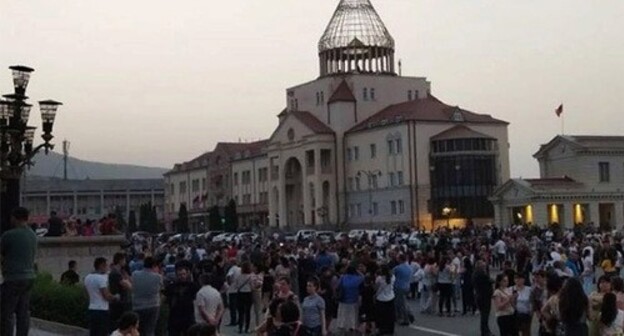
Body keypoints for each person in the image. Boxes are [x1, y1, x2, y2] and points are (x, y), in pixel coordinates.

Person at [0, 207, 38, 336]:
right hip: (29, 277)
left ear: (14, 218)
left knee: (7, 313)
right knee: (23, 312)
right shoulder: (33, 235)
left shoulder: (9, 235)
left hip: (13, 278)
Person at [85, 257, 118, 336]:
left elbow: (86, 293)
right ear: (101, 266)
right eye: (106, 266)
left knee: (93, 332)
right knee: (102, 332)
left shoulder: (87, 277)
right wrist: (115, 297)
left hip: (92, 308)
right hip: (102, 309)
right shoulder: (101, 279)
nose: (107, 268)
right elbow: (106, 295)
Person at [165, 262, 200, 336]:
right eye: (180, 275)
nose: (182, 276)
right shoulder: (171, 287)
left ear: (187, 274)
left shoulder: (193, 286)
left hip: (188, 315)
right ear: (177, 275)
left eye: (184, 274)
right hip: (174, 316)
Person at [131, 256, 163, 336]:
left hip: (137, 306)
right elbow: (161, 289)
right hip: (153, 305)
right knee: (150, 330)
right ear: (154, 266)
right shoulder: (158, 277)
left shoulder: (135, 274)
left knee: (138, 329)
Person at [335, 265, 363, 334]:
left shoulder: (343, 277)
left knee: (342, 313)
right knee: (353, 314)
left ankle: (341, 326)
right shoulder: (358, 279)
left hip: (343, 298)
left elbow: (337, 286)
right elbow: (363, 277)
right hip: (354, 299)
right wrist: (358, 272)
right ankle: (352, 326)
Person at [109, 252, 132, 331]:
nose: (125, 262)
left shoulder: (119, 272)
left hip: (120, 301)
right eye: (124, 260)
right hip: (120, 302)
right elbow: (128, 286)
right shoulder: (116, 273)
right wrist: (127, 281)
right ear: (120, 260)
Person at [473, 260, 493, 336]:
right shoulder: (482, 274)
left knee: (484, 315)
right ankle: (485, 331)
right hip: (484, 296)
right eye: (483, 266)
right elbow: (489, 281)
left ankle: (486, 330)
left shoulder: (475, 274)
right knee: (485, 315)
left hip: (479, 295)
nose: (484, 267)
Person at [375, 265, 396, 336]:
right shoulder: (392, 277)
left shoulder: (379, 278)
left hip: (381, 298)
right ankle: (390, 329)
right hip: (390, 297)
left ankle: (381, 329)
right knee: (390, 315)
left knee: (381, 316)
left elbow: (376, 288)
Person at [234, 261, 254, 334]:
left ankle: (240, 328)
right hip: (248, 294)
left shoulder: (238, 276)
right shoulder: (250, 277)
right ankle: (247, 328)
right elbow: (252, 287)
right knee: (248, 312)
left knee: (240, 312)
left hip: (240, 294)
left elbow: (236, 286)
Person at [393, 254, 413, 324]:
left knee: (400, 303)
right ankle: (409, 313)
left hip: (399, 286)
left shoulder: (397, 268)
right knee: (404, 301)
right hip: (407, 286)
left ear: (400, 259)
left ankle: (405, 318)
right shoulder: (409, 267)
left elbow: (392, 275)